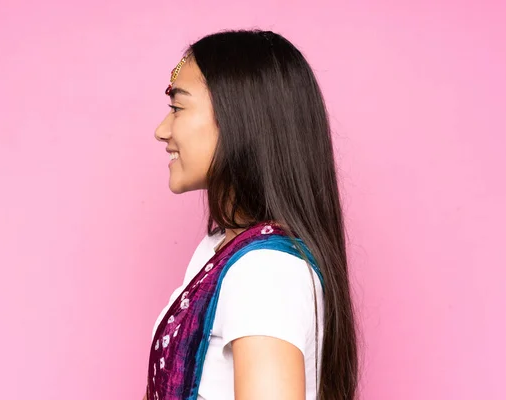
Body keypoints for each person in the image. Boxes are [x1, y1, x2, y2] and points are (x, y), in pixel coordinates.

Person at [145, 29, 358, 400]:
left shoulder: (265, 271)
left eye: (177, 108)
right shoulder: (220, 251)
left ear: (238, 120)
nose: (161, 131)